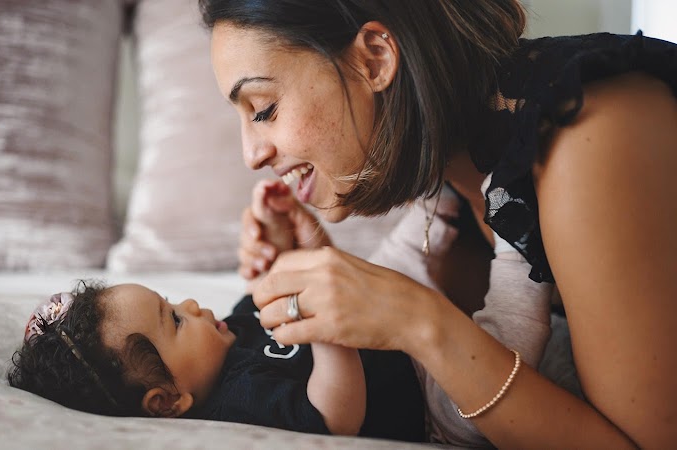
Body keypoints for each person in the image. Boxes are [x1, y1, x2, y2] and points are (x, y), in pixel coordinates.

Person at [200, 0, 677, 448]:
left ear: (375, 59)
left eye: (264, 108)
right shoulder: (456, 177)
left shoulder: (587, 134)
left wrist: (418, 320)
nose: (252, 154)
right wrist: (308, 261)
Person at [6, 180, 570, 446]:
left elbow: (312, 290)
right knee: (505, 335)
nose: (192, 305)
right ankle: (518, 239)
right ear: (169, 401)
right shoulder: (237, 401)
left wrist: (300, 250)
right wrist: (325, 332)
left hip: (403, 341)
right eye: (174, 319)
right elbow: (333, 419)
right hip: (436, 407)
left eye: (174, 299)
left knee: (389, 264)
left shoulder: (229, 334)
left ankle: (442, 203)